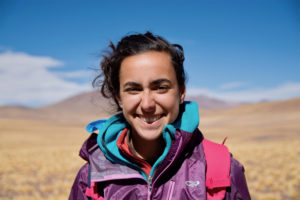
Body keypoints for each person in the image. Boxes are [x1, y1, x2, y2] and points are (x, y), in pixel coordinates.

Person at [69, 32, 251, 200]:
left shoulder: (220, 170)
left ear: (181, 92)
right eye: (133, 89)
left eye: (160, 87)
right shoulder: (92, 177)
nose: (147, 104)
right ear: (119, 98)